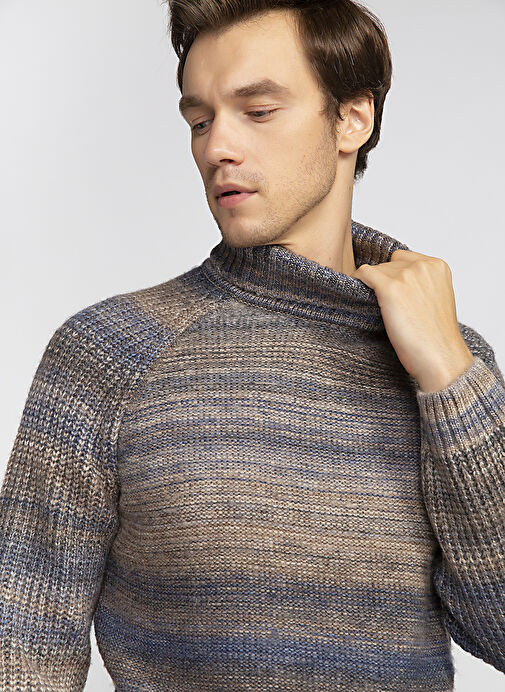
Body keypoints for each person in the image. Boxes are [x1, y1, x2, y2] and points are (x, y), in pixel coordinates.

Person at [1, 1, 504, 690]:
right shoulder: (111, 352)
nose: (217, 147)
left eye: (257, 111)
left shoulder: (447, 362)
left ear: (352, 119)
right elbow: (21, 649)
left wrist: (449, 375)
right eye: (199, 120)